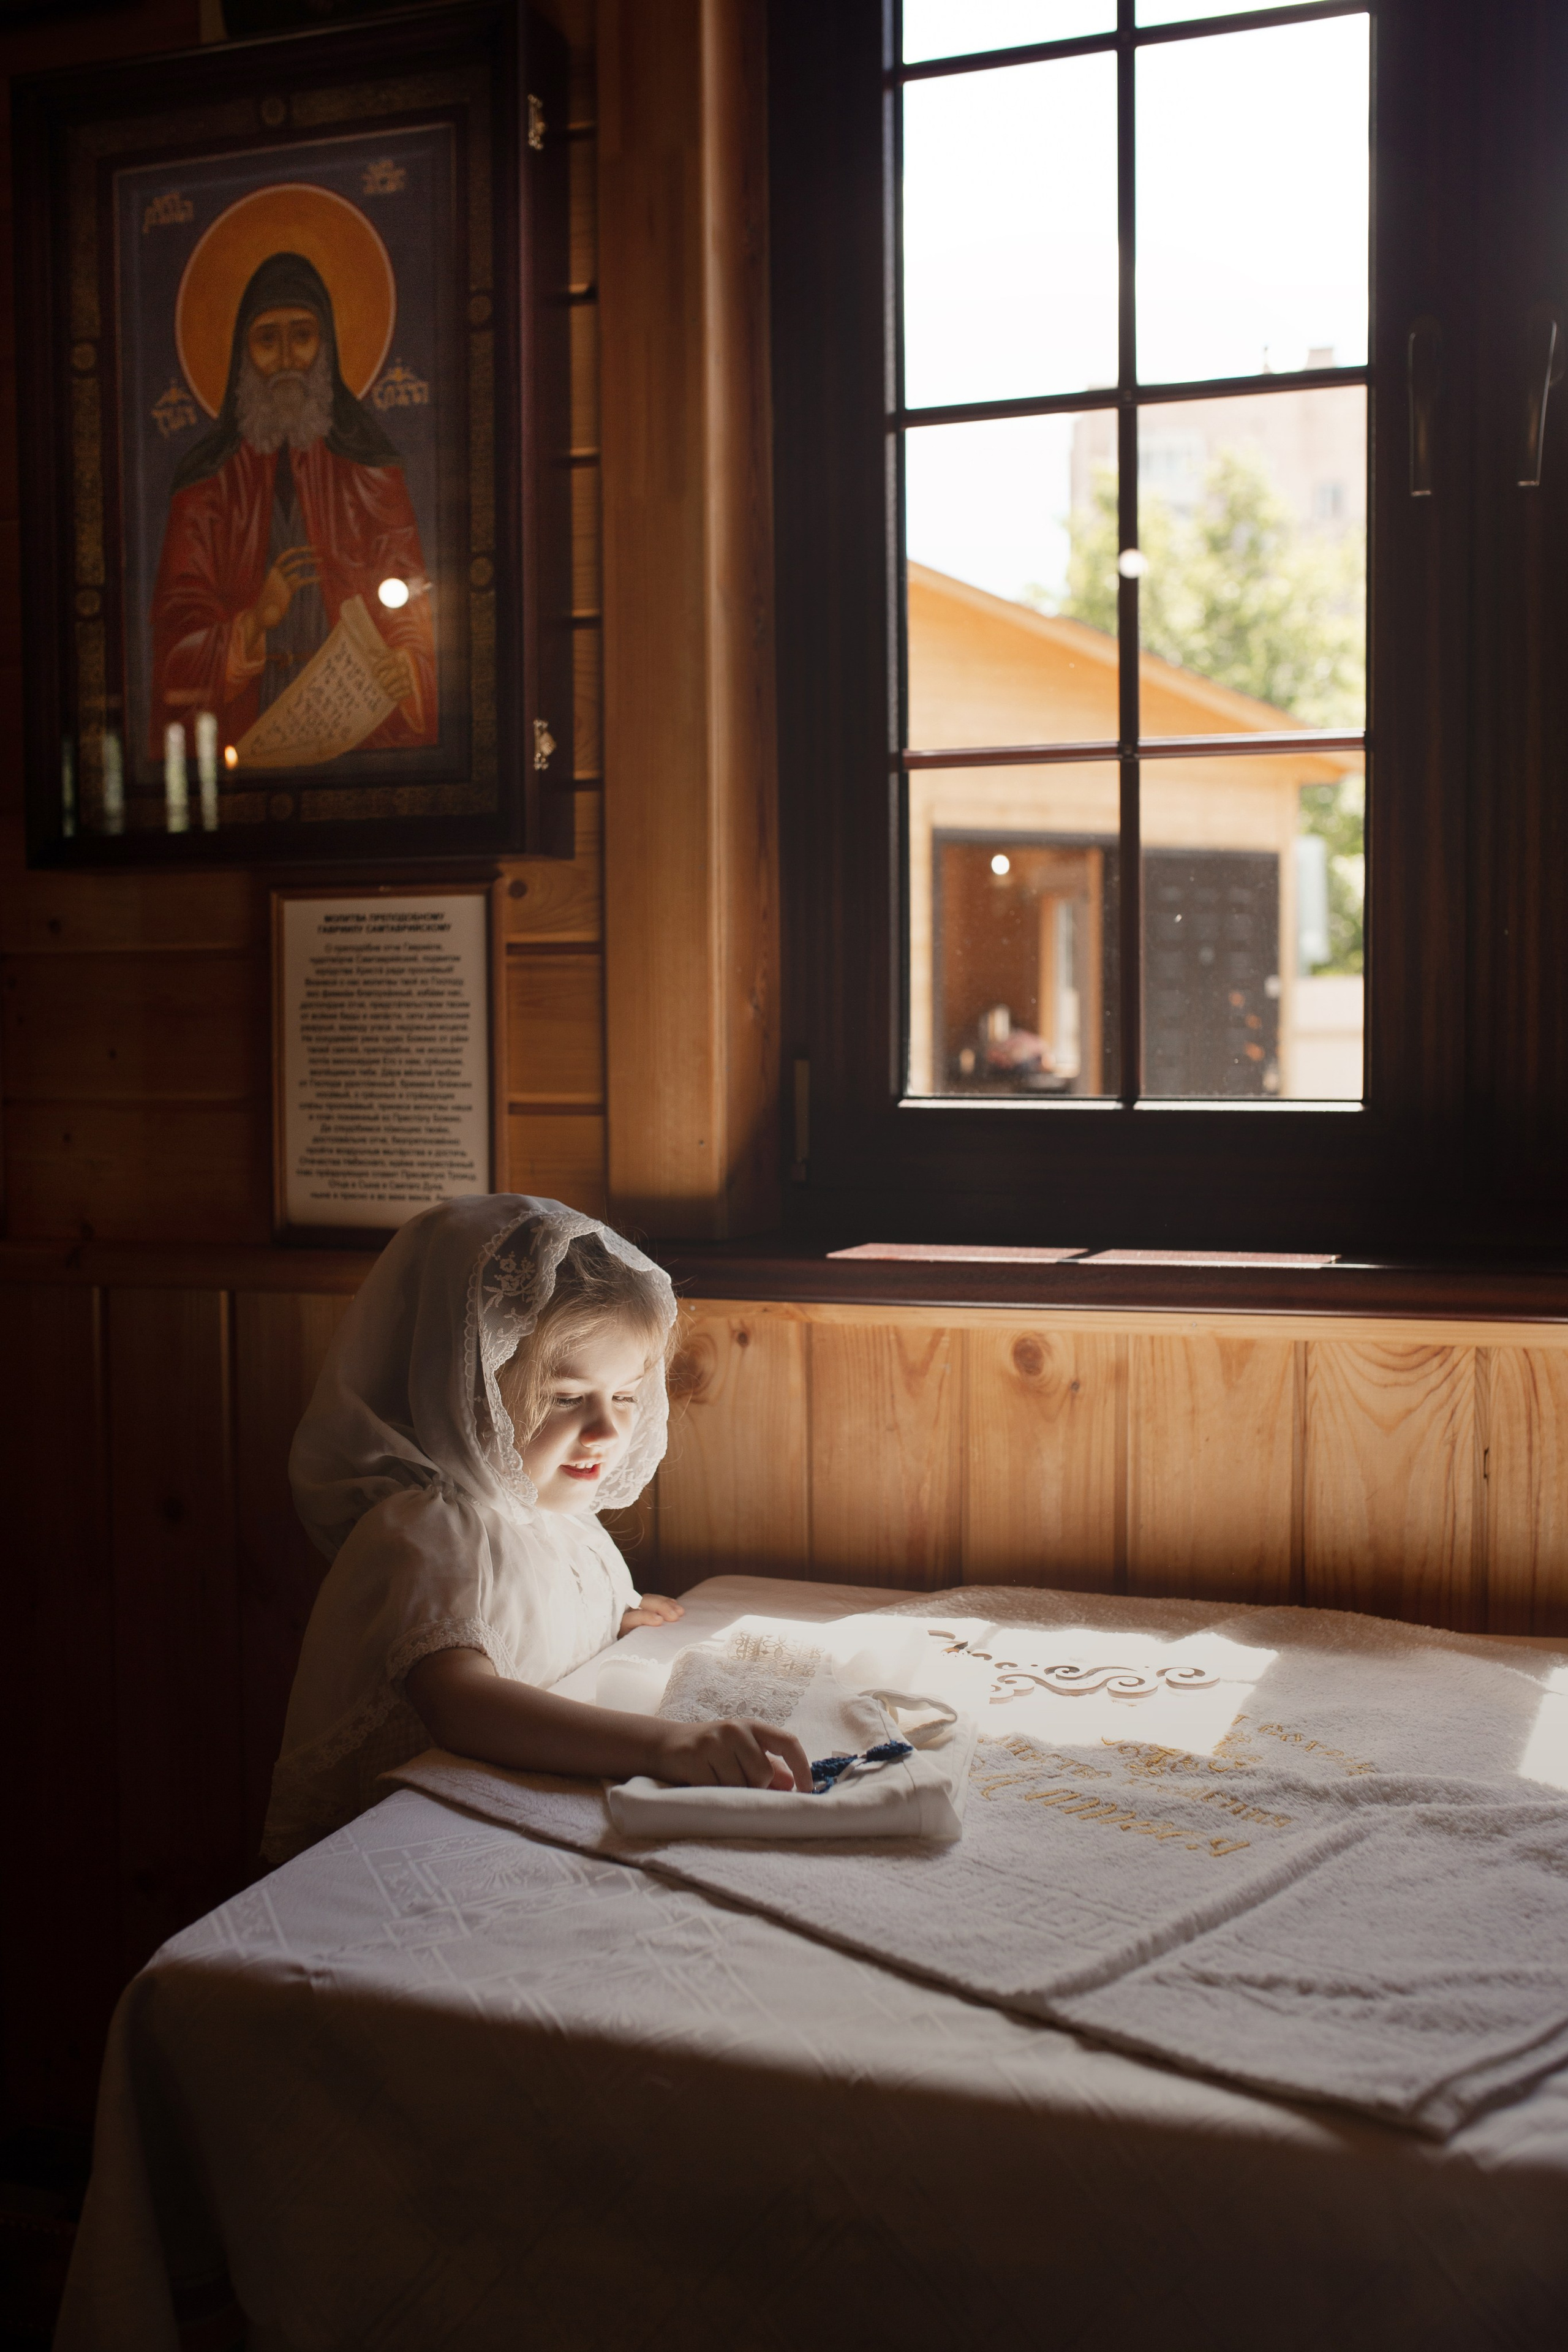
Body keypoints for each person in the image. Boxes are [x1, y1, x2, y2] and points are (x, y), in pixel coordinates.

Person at [262, 1194, 810, 1866]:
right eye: (567, 1398)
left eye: (626, 1395)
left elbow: (534, 1644)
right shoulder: (429, 1533)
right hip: (415, 1854)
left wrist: (613, 1630)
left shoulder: (566, 1525)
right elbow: (463, 1704)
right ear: (469, 1392)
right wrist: (665, 1745)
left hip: (519, 1821)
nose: (607, 1428)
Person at [149, 249, 437, 761]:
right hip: (245, 733)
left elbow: (412, 607)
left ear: (325, 347)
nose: (285, 359)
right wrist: (255, 622)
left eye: (301, 336)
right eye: (267, 340)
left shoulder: (371, 470)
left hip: (352, 736)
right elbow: (174, 652)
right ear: (244, 352)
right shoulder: (204, 486)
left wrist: (406, 665)